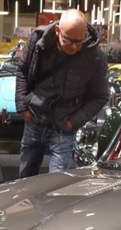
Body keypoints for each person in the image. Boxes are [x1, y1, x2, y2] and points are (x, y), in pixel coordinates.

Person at [15, 9, 109, 178]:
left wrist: (73, 122)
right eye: (69, 40)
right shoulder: (38, 40)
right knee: (25, 179)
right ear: (58, 31)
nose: (75, 47)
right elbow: (22, 69)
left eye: (79, 41)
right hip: (34, 119)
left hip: (63, 128)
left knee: (57, 184)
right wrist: (22, 106)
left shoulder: (95, 57)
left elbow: (100, 96)